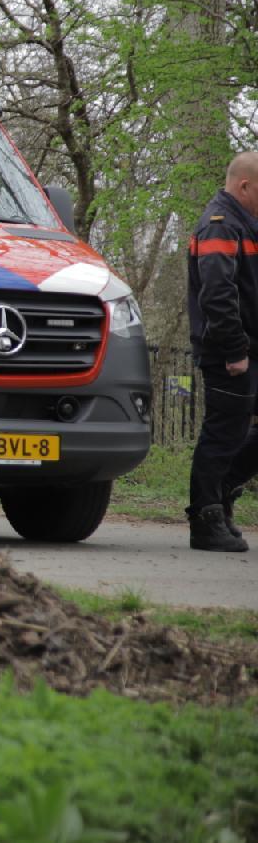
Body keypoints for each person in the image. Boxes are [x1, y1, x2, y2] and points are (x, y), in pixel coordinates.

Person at [185, 150, 258, 553]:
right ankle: (206, 515)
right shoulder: (221, 226)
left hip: (250, 348)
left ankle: (225, 488)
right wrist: (234, 349)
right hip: (230, 352)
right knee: (223, 432)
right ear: (245, 185)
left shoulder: (247, 224)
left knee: (233, 434)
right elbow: (217, 293)